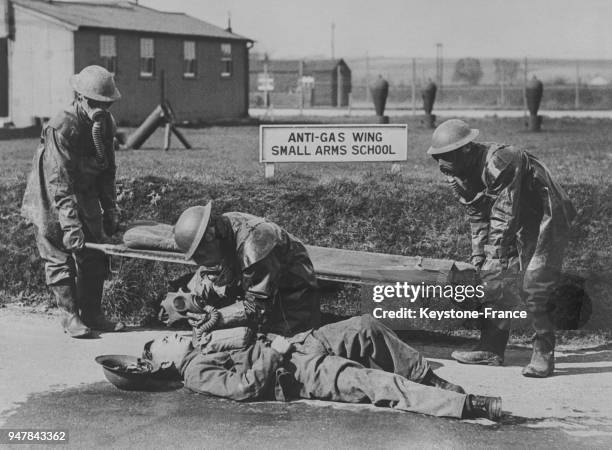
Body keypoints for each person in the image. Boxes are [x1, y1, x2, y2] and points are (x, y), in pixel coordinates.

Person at [427, 119, 576, 377]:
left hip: (545, 216)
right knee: (493, 277)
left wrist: (492, 260)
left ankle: (543, 351)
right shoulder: (459, 173)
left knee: (534, 282)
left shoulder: (501, 161)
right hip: (512, 219)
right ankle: (491, 347)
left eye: (446, 156)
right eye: (437, 158)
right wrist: (479, 260)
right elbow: (477, 217)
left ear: (466, 149)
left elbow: (504, 215)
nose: (442, 165)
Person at [142, 315, 503, 421]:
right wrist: (275, 354)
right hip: (296, 373)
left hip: (298, 345)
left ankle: (430, 378)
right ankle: (467, 405)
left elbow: (249, 333)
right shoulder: (194, 373)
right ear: (167, 364)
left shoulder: (202, 345)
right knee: (376, 382)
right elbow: (244, 389)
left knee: (366, 326)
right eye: (164, 343)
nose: (171, 337)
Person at [21, 65, 124, 338]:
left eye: (106, 104)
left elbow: (107, 170)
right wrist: (70, 225)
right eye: (94, 103)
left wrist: (110, 208)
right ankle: (70, 315)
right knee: (58, 252)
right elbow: (59, 181)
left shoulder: (107, 125)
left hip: (85, 187)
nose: (100, 109)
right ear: (79, 98)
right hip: (51, 193)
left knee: (96, 250)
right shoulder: (62, 125)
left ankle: (93, 313)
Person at [171, 202, 320, 337]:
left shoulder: (255, 245)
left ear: (210, 235)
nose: (199, 262)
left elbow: (256, 307)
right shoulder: (223, 226)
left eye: (200, 255)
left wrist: (213, 318)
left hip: (292, 310)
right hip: (263, 294)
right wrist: (191, 298)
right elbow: (210, 270)